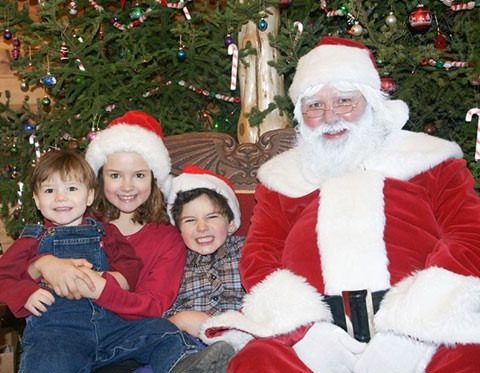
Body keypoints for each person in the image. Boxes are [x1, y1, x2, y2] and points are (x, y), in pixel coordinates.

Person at [198, 36, 480, 372]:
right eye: (315, 106)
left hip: (422, 331)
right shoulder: (282, 179)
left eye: (344, 101)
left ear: (372, 102)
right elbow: (260, 256)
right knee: (257, 362)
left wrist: (416, 324)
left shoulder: (431, 161)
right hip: (318, 337)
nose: (330, 116)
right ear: (301, 116)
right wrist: (306, 331)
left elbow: (469, 236)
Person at [25, 111, 234, 372]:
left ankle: (186, 365)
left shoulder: (167, 239)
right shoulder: (75, 219)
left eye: (138, 175)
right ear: (99, 179)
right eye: (115, 176)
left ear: (154, 179)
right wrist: (45, 264)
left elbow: (155, 306)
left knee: (162, 332)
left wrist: (101, 289)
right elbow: (24, 258)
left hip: (127, 339)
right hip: (66, 335)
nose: (126, 187)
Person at [0, 149, 144, 372]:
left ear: (89, 196)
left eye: (71, 188)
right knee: (47, 362)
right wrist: (25, 293)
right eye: (49, 190)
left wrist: (115, 279)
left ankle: (186, 362)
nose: (60, 197)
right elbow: (4, 275)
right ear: (37, 200)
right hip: (57, 333)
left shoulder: (106, 233)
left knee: (162, 332)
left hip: (112, 328)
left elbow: (131, 265)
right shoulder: (31, 240)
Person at [165, 164, 245, 338]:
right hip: (190, 344)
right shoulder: (173, 262)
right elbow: (164, 311)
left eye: (212, 217)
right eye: (190, 220)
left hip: (244, 334)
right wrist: (180, 321)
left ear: (231, 224)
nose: (202, 227)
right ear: (179, 230)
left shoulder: (248, 251)